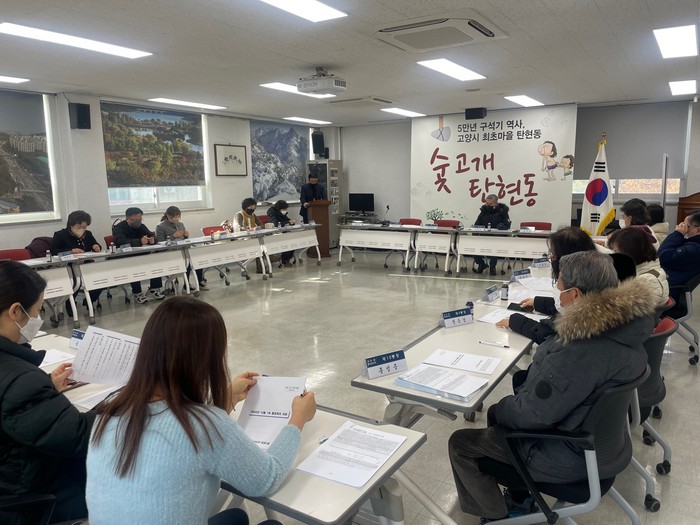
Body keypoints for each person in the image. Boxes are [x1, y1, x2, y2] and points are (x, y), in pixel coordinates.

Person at [449, 251, 654, 523]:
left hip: (568, 454)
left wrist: (504, 407)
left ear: (576, 294)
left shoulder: (580, 349)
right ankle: (520, 494)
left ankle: (498, 515)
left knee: (462, 443)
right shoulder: (625, 328)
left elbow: (531, 415)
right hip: (604, 445)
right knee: (499, 413)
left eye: (560, 288)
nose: (558, 297)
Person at [86, 296, 317, 524]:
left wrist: (227, 397)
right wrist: (298, 419)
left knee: (236, 517)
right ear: (207, 360)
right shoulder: (206, 425)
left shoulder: (111, 407)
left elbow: (181, 432)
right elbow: (266, 479)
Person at [0, 261, 95, 524]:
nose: (38, 318)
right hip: (26, 494)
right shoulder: (20, 380)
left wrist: (46, 387)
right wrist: (124, 403)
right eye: (37, 310)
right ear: (15, 311)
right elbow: (79, 436)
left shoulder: (19, 379)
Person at [496, 226, 596, 343]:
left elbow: (553, 335)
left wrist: (516, 322)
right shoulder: (594, 278)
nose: (552, 260)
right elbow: (564, 307)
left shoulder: (578, 290)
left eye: (553, 256)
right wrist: (538, 303)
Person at [50, 210, 103, 310]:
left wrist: (96, 246)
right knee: (75, 283)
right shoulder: (60, 235)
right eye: (79, 227)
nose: (82, 230)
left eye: (84, 227)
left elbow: (96, 245)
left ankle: (89, 300)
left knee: (101, 279)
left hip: (87, 264)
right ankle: (70, 304)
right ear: (71, 224)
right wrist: (71, 251)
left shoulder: (88, 234)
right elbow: (54, 251)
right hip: (69, 267)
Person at [112, 207, 164, 304]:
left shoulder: (141, 226)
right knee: (134, 266)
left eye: (139, 220)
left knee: (155, 261)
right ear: (127, 218)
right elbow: (120, 242)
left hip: (142, 254)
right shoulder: (119, 228)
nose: (138, 222)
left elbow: (151, 234)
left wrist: (153, 240)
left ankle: (154, 289)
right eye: (135, 220)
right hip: (127, 256)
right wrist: (139, 242)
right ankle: (137, 292)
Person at [609, 227, 669, 306]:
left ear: (631, 251)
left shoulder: (647, 281)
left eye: (616, 251)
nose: (613, 255)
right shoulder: (644, 270)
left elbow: (620, 308)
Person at [155, 206, 208, 290]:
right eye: (174, 216)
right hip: (170, 252)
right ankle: (187, 285)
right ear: (168, 216)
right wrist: (173, 236)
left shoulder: (180, 224)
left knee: (196, 257)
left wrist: (186, 236)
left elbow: (183, 239)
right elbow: (160, 243)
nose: (176, 218)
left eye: (178, 216)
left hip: (183, 249)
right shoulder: (160, 226)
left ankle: (199, 281)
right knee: (187, 261)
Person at [658, 209, 700, 306]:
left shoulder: (694, 249)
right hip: (669, 286)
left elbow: (663, 257)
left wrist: (677, 234)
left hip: (669, 293)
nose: (682, 228)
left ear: (698, 230)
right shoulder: (693, 244)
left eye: (686, 226)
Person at [472, 194, 511, 275]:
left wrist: (500, 226)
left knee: (495, 247)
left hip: (498, 238)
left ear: (496, 203)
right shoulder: (484, 211)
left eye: (490, 204)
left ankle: (492, 267)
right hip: (484, 237)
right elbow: (477, 224)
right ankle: (481, 264)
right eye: (487, 204)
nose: (488, 206)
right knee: (472, 246)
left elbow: (507, 225)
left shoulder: (502, 212)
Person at [267, 200, 296, 266]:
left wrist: (291, 221)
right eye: (284, 209)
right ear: (279, 208)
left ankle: (286, 258)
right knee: (289, 241)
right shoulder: (271, 211)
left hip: (283, 232)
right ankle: (285, 260)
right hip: (275, 233)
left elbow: (286, 219)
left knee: (294, 241)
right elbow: (275, 224)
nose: (285, 211)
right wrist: (288, 222)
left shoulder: (281, 212)